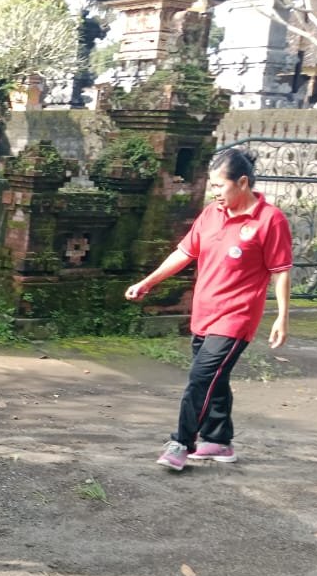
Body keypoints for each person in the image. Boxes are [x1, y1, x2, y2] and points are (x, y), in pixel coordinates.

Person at [125, 148, 292, 471]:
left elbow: (281, 271)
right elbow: (184, 253)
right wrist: (148, 282)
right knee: (215, 378)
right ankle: (218, 440)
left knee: (201, 378)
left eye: (219, 185)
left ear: (242, 182)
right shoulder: (211, 214)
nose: (214, 192)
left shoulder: (270, 220)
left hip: (237, 317)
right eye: (212, 186)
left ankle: (181, 443)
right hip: (205, 312)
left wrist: (282, 317)